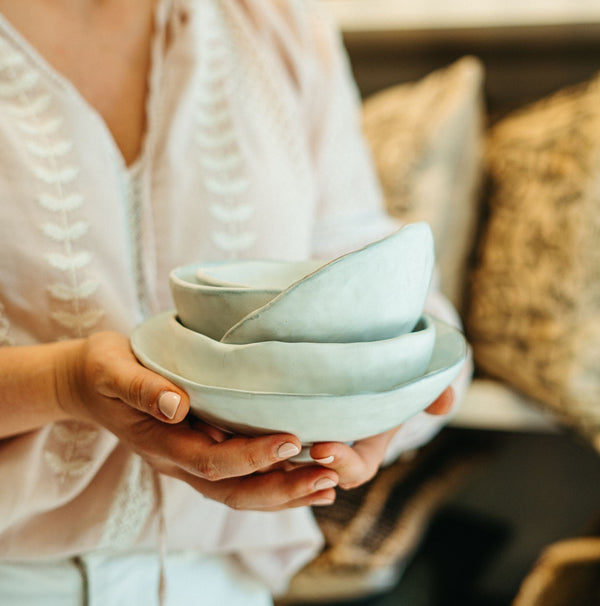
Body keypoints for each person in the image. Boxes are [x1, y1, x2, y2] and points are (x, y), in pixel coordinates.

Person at [0, 0, 471, 604]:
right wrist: (63, 384)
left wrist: (378, 414)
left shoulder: (274, 22)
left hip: (224, 586)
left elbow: (383, 276)